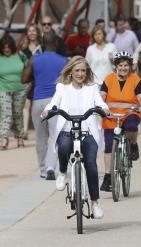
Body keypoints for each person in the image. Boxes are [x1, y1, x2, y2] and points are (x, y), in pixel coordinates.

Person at [42, 56, 108, 219]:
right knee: (64, 146)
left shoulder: (92, 88)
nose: (80, 74)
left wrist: (104, 109)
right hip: (67, 130)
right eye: (77, 70)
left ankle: (95, 202)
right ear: (70, 72)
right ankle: (63, 172)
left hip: (88, 132)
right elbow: (54, 103)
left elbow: (100, 103)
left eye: (83, 71)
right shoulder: (62, 88)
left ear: (87, 73)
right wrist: (47, 110)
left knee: (91, 165)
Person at [22, 32, 67, 179]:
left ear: (42, 43)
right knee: (55, 135)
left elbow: (24, 78)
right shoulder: (64, 60)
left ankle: (42, 169)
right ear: (56, 43)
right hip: (55, 102)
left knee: (40, 137)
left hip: (38, 101)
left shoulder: (34, 59)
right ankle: (50, 167)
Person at [99, 51, 141, 191]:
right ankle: (108, 177)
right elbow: (102, 96)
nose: (123, 68)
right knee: (108, 145)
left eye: (126, 65)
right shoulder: (108, 79)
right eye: (120, 65)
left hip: (130, 113)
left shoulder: (135, 79)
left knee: (132, 126)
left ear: (130, 66)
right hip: (111, 115)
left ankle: (133, 144)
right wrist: (100, 107)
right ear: (116, 66)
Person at [0, 35, 26, 150]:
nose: (7, 49)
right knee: (6, 114)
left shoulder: (20, 55)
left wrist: (28, 84)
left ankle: (20, 137)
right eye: (4, 47)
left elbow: (29, 67)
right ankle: (4, 138)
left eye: (9, 47)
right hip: (4, 89)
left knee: (17, 113)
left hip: (20, 89)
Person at [20, 24, 42, 140]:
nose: (32, 33)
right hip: (28, 80)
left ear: (37, 32)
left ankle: (41, 130)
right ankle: (24, 131)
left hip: (40, 79)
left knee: (40, 106)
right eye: (29, 31)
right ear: (27, 34)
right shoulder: (23, 51)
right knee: (26, 104)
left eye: (34, 31)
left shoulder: (42, 48)